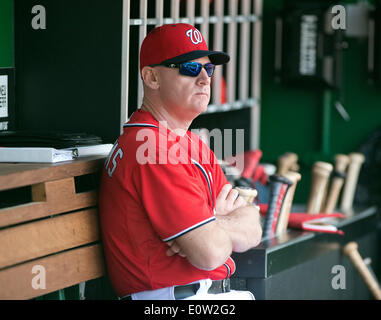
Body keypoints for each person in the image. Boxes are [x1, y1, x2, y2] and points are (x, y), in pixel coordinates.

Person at [98, 23, 262, 300]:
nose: (204, 78)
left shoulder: (188, 143)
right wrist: (215, 225)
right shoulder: (149, 149)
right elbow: (209, 252)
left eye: (208, 69)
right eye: (188, 68)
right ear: (151, 77)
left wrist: (211, 223)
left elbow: (252, 225)